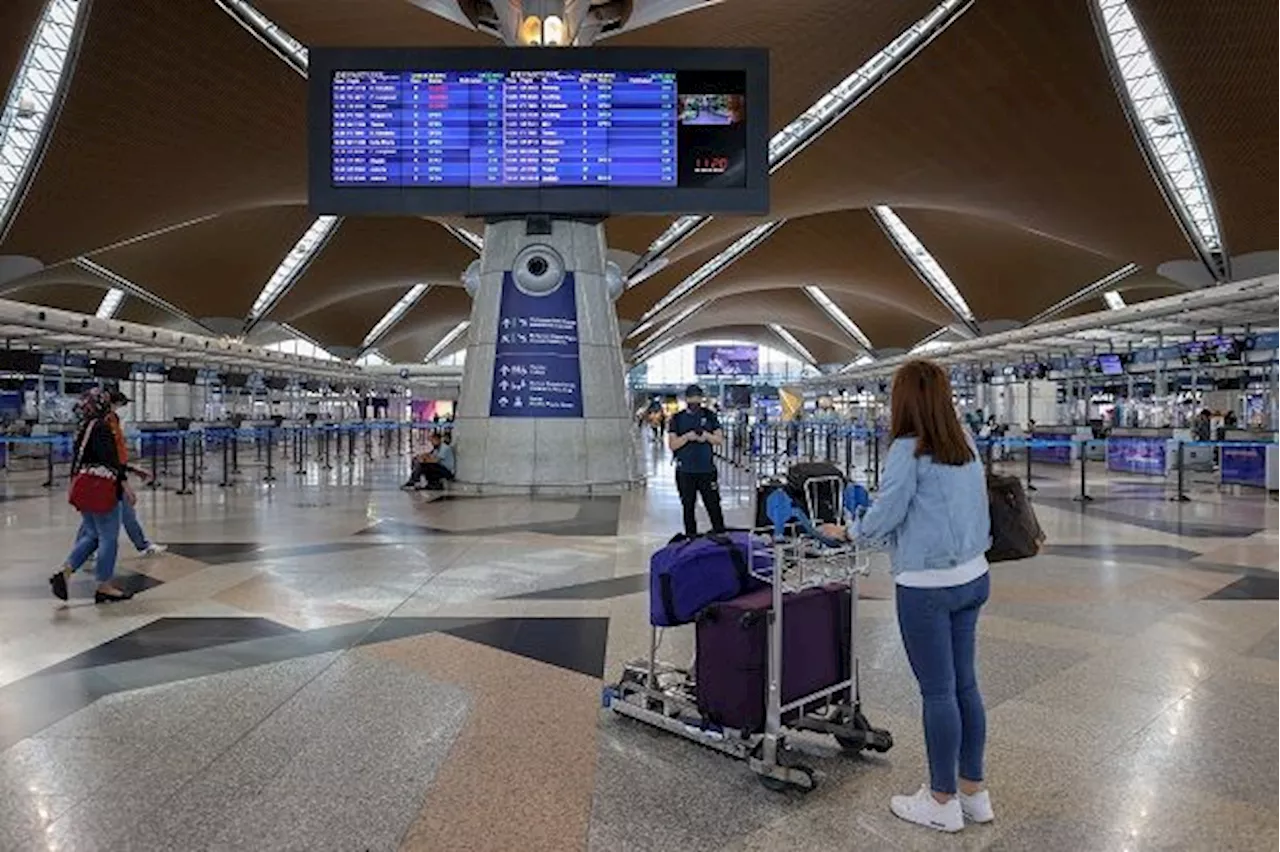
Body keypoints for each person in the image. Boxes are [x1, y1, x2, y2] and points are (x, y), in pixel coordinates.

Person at [849, 359, 993, 833]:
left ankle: (941, 800)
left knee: (938, 691)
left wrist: (850, 530)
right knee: (965, 685)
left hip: (927, 588)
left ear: (903, 401)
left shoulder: (907, 450)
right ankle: (974, 793)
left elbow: (884, 516)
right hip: (973, 577)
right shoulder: (965, 443)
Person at [49, 388, 134, 604]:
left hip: (85, 486)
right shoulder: (103, 427)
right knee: (108, 538)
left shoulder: (83, 427)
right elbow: (110, 461)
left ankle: (65, 572)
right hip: (103, 488)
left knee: (92, 535)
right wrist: (125, 484)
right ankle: (104, 586)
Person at [103, 390, 166, 557]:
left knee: (99, 517)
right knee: (124, 513)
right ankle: (143, 546)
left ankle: (84, 549)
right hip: (111, 477)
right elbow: (110, 456)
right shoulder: (106, 423)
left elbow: (117, 454)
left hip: (113, 474)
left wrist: (132, 469)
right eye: (122, 405)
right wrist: (124, 481)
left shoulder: (113, 421)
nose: (124, 409)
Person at [667, 384, 725, 538]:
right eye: (692, 398)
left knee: (713, 506)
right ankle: (690, 538)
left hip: (707, 470)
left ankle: (721, 535)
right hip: (685, 471)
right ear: (686, 399)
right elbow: (672, 445)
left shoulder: (710, 416)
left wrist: (706, 436)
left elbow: (719, 440)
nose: (695, 401)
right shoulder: (677, 418)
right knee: (688, 507)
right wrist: (687, 437)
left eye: (698, 398)